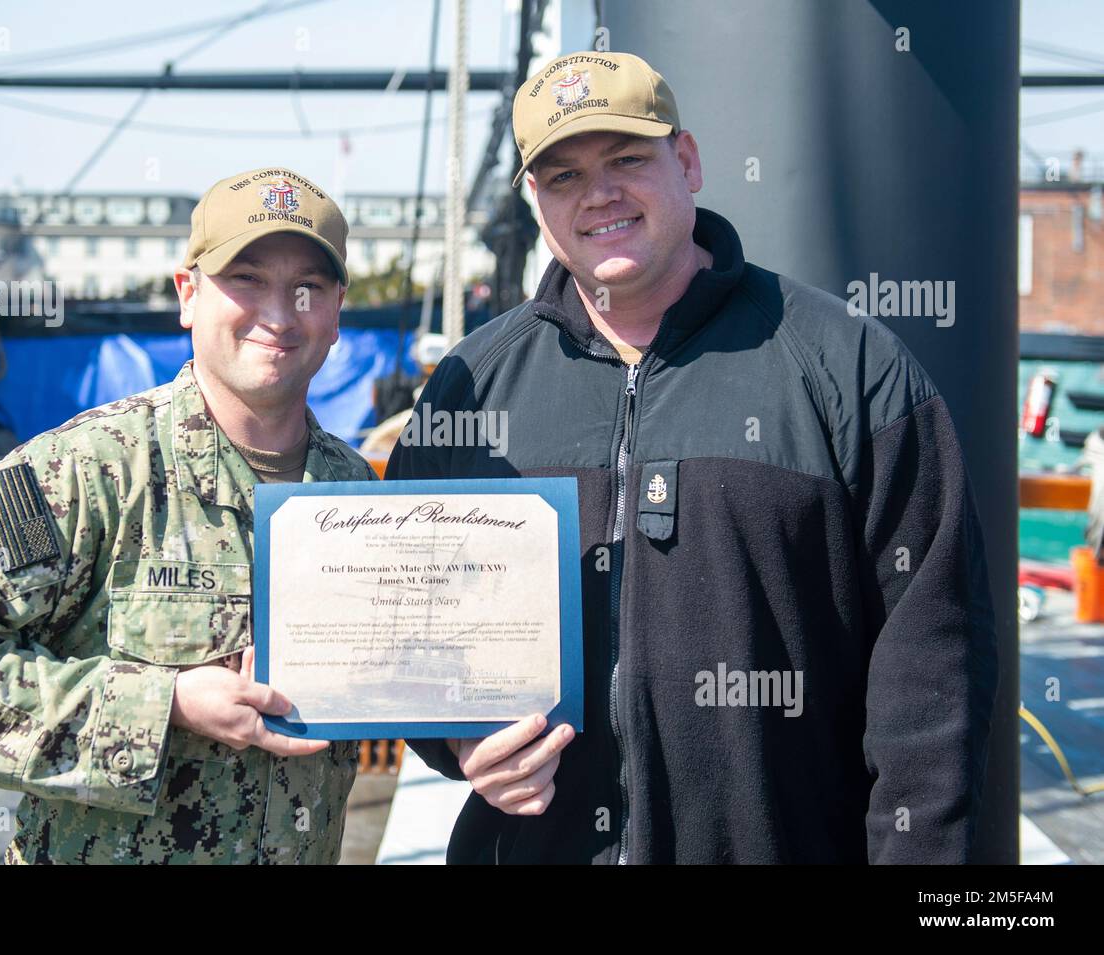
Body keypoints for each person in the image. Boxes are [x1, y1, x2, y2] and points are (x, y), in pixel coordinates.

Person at [387, 52, 998, 864]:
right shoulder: (471, 387)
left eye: (627, 159)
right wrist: (456, 744)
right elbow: (404, 622)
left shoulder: (848, 366)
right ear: (536, 199)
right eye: (563, 174)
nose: (598, 193)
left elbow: (934, 658)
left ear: (688, 161)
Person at [0, 167, 378, 864]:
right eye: (247, 279)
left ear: (338, 308)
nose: (280, 315)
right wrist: (162, 704)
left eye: (307, 288)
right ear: (188, 294)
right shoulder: (78, 473)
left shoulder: (357, 494)